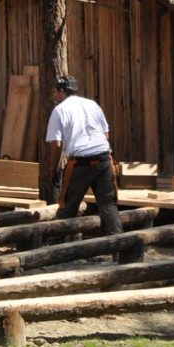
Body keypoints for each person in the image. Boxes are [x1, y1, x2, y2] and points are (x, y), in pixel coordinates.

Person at [45, 75, 122, 236]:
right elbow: (106, 134)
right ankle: (119, 250)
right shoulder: (93, 105)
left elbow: (56, 145)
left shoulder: (59, 110)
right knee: (109, 206)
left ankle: (55, 246)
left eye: (56, 91)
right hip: (103, 159)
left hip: (80, 163)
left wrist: (53, 168)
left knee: (67, 206)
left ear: (60, 91)